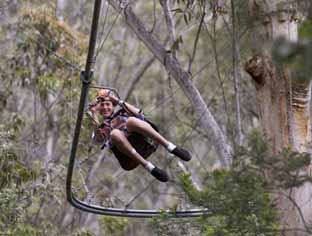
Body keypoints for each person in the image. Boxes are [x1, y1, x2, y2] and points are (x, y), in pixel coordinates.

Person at [87, 89, 192, 182]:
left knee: (131, 120)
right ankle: (149, 167)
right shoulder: (101, 128)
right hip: (129, 157)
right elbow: (99, 139)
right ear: (99, 109)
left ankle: (170, 146)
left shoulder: (124, 112)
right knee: (115, 133)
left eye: (108, 104)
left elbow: (139, 114)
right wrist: (94, 115)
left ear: (113, 105)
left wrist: (117, 100)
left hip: (147, 142)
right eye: (102, 105)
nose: (105, 107)